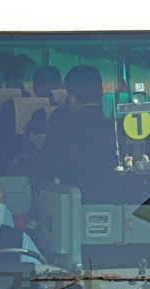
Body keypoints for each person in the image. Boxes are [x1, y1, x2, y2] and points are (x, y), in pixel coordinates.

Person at [34, 65, 116, 203]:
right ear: (101, 91)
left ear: (71, 96)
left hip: (77, 200)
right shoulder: (116, 122)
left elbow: (46, 165)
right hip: (118, 197)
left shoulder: (63, 124)